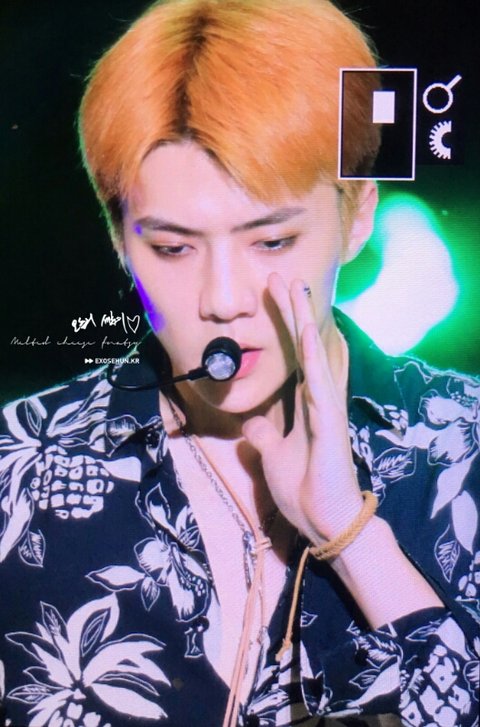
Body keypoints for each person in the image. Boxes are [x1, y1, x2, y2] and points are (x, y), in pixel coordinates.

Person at [0, 1, 478, 726]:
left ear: (356, 217)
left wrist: (352, 536)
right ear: (119, 240)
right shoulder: (15, 469)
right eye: (172, 248)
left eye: (272, 241)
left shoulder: (468, 448)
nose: (223, 300)